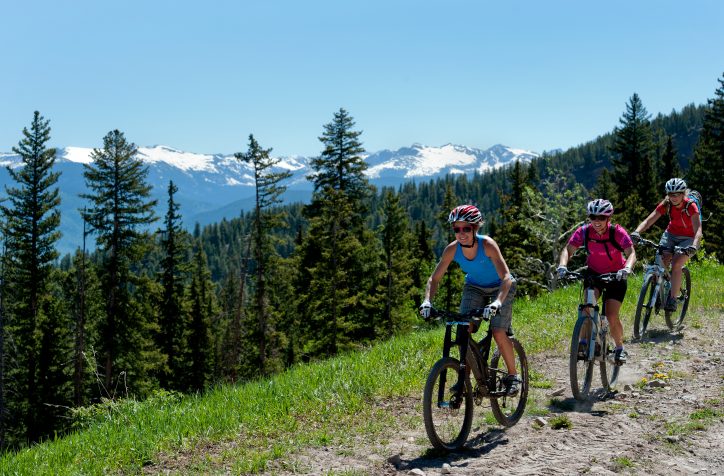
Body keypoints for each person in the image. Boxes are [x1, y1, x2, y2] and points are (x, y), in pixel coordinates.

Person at [419, 205, 520, 395]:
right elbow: (434, 279)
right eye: (456, 229)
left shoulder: (488, 245)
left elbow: (506, 277)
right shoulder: (452, 249)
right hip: (474, 287)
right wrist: (427, 301)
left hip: (501, 286)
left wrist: (496, 303)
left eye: (466, 228)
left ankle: (513, 376)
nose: (461, 233)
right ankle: (464, 378)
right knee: (463, 331)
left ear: (475, 228)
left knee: (498, 332)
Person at [557, 199, 636, 364]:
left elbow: (631, 253)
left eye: (601, 217)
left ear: (609, 218)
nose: (597, 221)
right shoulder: (584, 232)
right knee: (587, 306)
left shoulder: (617, 232)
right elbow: (568, 249)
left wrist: (627, 268)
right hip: (594, 275)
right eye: (593, 217)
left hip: (616, 276)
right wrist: (562, 266)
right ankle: (585, 343)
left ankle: (619, 348)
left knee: (611, 315)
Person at [631, 178, 702, 311]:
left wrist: (693, 245)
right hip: (671, 234)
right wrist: (636, 232)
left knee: (676, 264)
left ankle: (673, 299)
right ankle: (661, 287)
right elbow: (648, 220)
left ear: (683, 193)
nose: (673, 197)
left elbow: (698, 229)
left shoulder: (691, 206)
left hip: (689, 238)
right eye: (670, 194)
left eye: (677, 194)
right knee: (661, 259)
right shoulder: (666, 204)